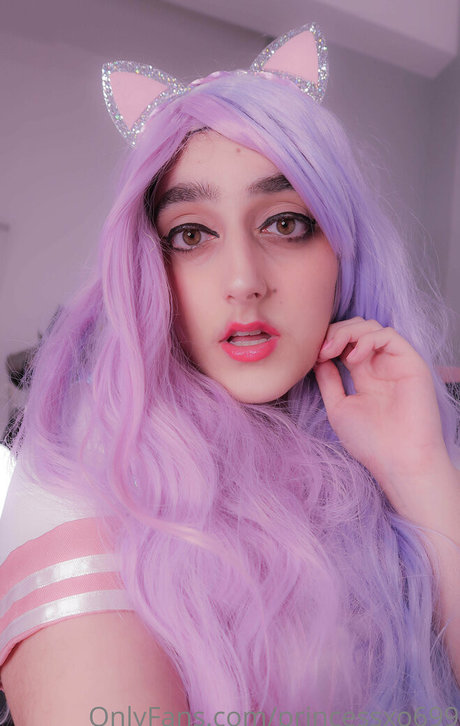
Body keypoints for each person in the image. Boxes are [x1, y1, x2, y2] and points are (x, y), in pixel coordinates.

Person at [1, 23, 459, 725]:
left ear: (345, 251)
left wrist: (420, 472)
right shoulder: (80, 479)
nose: (243, 280)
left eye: (286, 223)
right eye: (191, 234)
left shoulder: (403, 443)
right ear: (146, 269)